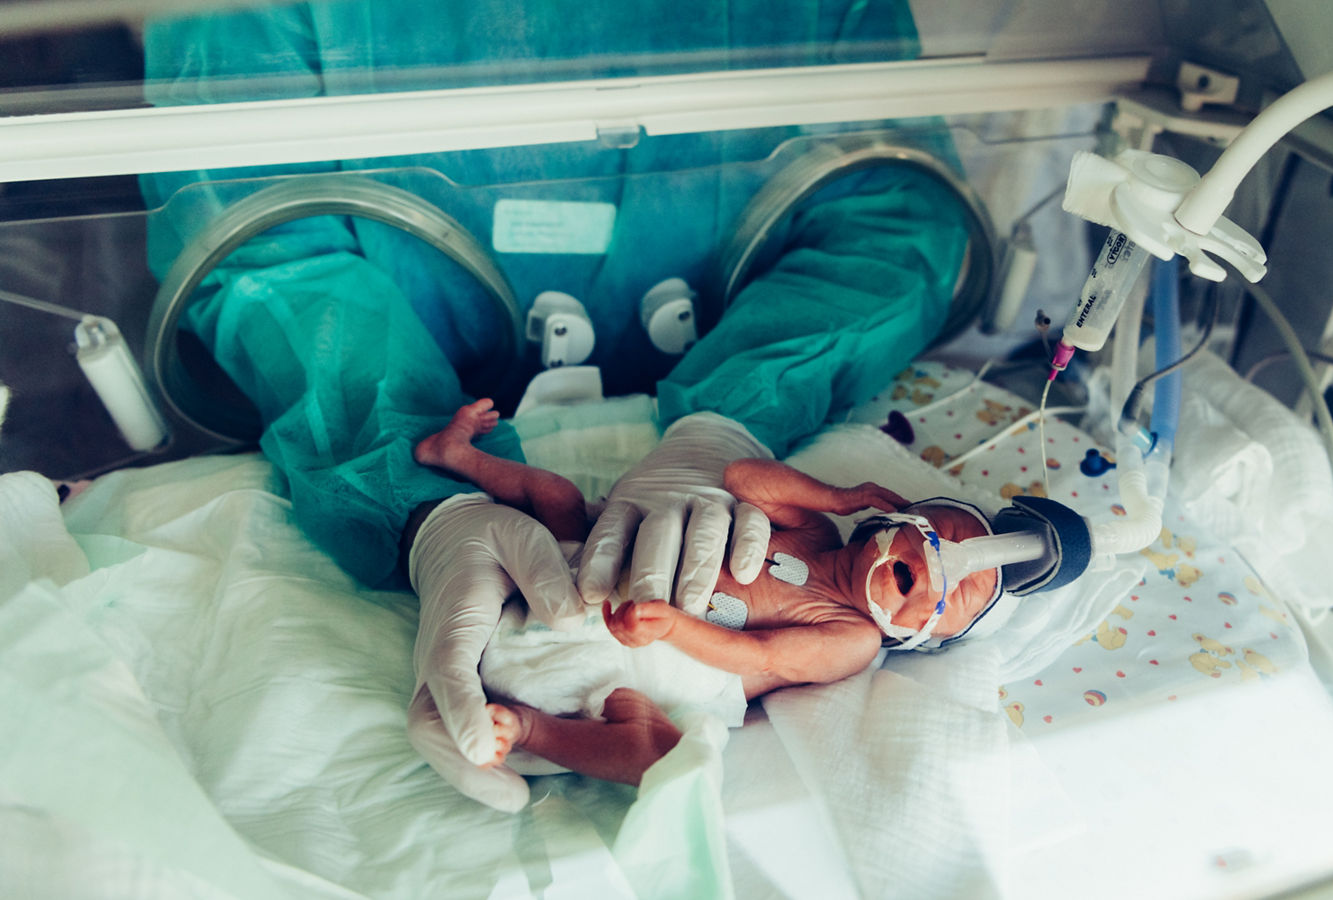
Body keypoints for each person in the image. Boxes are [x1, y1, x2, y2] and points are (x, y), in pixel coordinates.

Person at [140, 0, 970, 811]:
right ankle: (458, 511)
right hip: (418, 409)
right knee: (555, 529)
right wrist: (429, 509)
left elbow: (894, 221)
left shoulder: (847, 632)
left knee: (624, 718)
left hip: (686, 471)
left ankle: (527, 723)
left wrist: (732, 417)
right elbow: (254, 245)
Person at [412, 399, 1002, 792]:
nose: (943, 571)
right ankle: (455, 454)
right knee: (558, 498)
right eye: (943, 536)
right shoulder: (817, 532)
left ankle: (527, 729)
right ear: (896, 519)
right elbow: (744, 479)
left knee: (658, 751)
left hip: (659, 667)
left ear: (925, 637)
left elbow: (761, 655)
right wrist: (839, 496)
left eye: (958, 597)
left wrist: (673, 627)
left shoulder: (855, 637)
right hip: (585, 583)